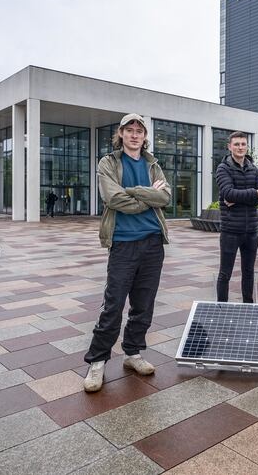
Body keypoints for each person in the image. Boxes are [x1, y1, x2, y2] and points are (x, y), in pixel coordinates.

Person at [83, 113, 170, 392]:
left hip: (153, 243)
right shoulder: (108, 163)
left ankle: (133, 352)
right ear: (121, 134)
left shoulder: (152, 164)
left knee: (144, 305)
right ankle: (97, 361)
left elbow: (165, 198)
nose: (134, 134)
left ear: (145, 136)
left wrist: (133, 192)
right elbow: (113, 198)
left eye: (139, 130)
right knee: (113, 305)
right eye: (129, 130)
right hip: (123, 243)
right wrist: (146, 195)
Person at [215, 131, 258, 302]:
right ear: (229, 146)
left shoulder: (253, 169)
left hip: (251, 231)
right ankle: (222, 309)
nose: (240, 147)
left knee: (249, 272)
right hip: (230, 231)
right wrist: (254, 194)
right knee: (225, 273)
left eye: (243, 144)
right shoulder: (223, 168)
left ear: (247, 146)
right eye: (236, 144)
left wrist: (239, 198)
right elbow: (228, 193)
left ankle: (248, 307)